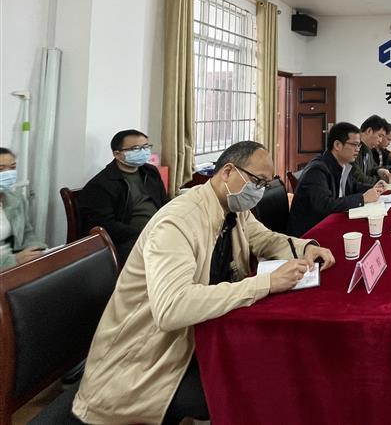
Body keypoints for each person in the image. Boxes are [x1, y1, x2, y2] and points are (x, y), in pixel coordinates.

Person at [72, 141, 335, 425]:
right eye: (257, 181)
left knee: (277, 357)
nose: (259, 190)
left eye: (265, 184)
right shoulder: (178, 222)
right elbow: (172, 308)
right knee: (260, 384)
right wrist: (266, 283)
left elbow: (264, 239)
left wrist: (306, 247)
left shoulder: (232, 208)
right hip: (146, 362)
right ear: (228, 172)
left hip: (196, 337)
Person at [79, 129, 168, 261]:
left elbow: (164, 203)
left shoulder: (150, 172)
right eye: (136, 148)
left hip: (158, 230)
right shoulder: (101, 184)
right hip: (129, 239)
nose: (143, 152)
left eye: (146, 147)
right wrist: (144, 233)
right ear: (117, 154)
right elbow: (106, 225)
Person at [286, 122, 385, 237]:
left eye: (359, 146)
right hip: (310, 235)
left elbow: (353, 186)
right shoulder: (317, 170)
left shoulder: (342, 164)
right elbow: (325, 205)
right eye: (355, 145)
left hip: (330, 223)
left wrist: (374, 188)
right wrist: (362, 198)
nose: (358, 149)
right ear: (337, 145)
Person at [0, 147, 47, 270]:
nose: (8, 174)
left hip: (16, 262)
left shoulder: (16, 199)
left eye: (12, 168)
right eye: (1, 169)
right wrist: (13, 261)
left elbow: (26, 232)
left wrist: (36, 249)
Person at [350, 115, 391, 186]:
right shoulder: (353, 148)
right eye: (380, 136)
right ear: (369, 131)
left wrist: (378, 171)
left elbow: (372, 168)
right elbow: (358, 178)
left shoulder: (368, 148)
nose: (380, 140)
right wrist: (383, 180)